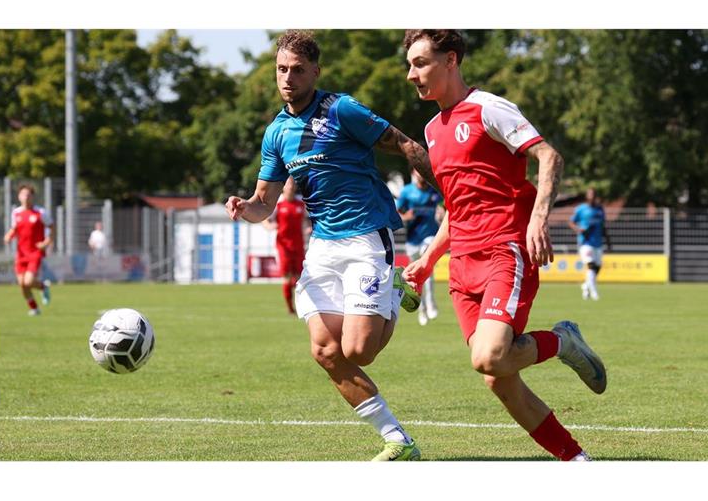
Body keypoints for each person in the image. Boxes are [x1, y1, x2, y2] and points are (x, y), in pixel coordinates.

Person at [225, 30, 439, 461]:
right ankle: (398, 440)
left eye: (298, 70)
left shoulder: (342, 110)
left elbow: (406, 145)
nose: (288, 78)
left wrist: (452, 195)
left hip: (365, 235)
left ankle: (397, 287)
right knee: (325, 350)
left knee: (360, 351)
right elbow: (264, 202)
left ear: (315, 73)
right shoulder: (276, 133)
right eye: (282, 69)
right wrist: (243, 206)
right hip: (323, 246)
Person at [402, 29, 607, 461]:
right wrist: (427, 260)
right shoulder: (432, 131)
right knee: (498, 376)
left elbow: (549, 156)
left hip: (504, 251)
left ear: (451, 60)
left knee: (491, 357)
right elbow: (458, 208)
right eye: (410, 64)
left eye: (420, 62)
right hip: (462, 266)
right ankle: (577, 461)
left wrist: (538, 219)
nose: (411, 74)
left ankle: (561, 342)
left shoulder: (489, 108)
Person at [396, 168, 442, 326]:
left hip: (429, 237)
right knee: (416, 277)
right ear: (414, 174)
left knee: (426, 265)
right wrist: (405, 217)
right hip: (412, 240)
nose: (422, 176)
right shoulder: (407, 192)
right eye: (418, 173)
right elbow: (397, 211)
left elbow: (444, 206)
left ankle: (430, 303)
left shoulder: (434, 190)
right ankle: (421, 309)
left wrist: (441, 213)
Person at [262, 177, 310, 314]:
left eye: (291, 184)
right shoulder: (278, 203)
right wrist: (269, 225)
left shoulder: (301, 203)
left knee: (300, 277)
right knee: (287, 277)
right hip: (283, 245)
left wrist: (308, 228)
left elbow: (307, 221)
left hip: (299, 244)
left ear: (294, 187)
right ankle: (290, 308)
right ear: (283, 187)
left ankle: (301, 305)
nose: (290, 187)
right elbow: (265, 219)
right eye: (287, 184)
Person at [3, 184, 54, 316]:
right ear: (19, 197)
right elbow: (15, 229)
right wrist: (9, 236)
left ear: (32, 197)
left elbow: (52, 227)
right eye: (23, 194)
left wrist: (46, 242)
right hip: (21, 253)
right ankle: (34, 308)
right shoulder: (16, 212)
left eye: (28, 194)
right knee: (22, 284)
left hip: (35, 252)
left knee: (28, 281)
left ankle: (43, 287)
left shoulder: (40, 212)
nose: (25, 197)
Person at [569, 187, 611, 301]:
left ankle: (586, 285)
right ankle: (594, 293)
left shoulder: (599, 210)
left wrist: (608, 241)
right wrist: (578, 230)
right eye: (590, 194)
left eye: (594, 194)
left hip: (597, 243)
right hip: (585, 242)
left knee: (597, 267)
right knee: (591, 266)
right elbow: (572, 222)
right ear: (587, 196)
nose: (592, 196)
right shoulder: (581, 209)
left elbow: (603, 226)